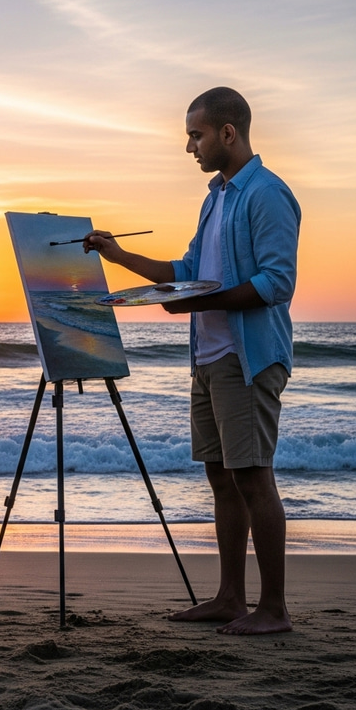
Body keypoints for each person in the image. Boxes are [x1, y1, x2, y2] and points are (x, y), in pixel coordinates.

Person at [84, 87, 300, 635]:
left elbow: (276, 283)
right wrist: (119, 256)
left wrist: (194, 302)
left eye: (196, 135)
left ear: (229, 133)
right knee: (221, 480)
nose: (190, 147)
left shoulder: (267, 194)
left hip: (245, 359)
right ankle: (230, 597)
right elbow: (186, 269)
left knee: (254, 478)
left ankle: (272, 609)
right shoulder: (216, 197)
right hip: (207, 357)